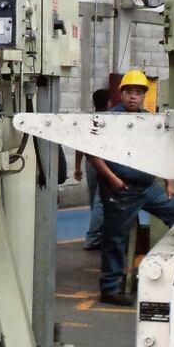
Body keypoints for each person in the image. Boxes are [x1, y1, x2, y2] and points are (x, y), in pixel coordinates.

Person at [87, 70, 174, 306]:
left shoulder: (148, 119)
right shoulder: (109, 119)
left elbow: (161, 151)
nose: (134, 97)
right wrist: (112, 179)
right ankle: (110, 289)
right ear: (121, 94)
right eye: (130, 92)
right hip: (121, 190)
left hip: (148, 188)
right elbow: (92, 152)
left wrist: (169, 182)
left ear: (144, 96)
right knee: (115, 239)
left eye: (139, 93)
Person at [74, 88, 111, 249]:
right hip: (106, 163)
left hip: (90, 163)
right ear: (109, 103)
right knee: (101, 201)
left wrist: (77, 167)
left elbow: (80, 145)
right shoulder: (112, 119)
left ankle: (100, 234)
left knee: (94, 200)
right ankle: (93, 237)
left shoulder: (89, 120)